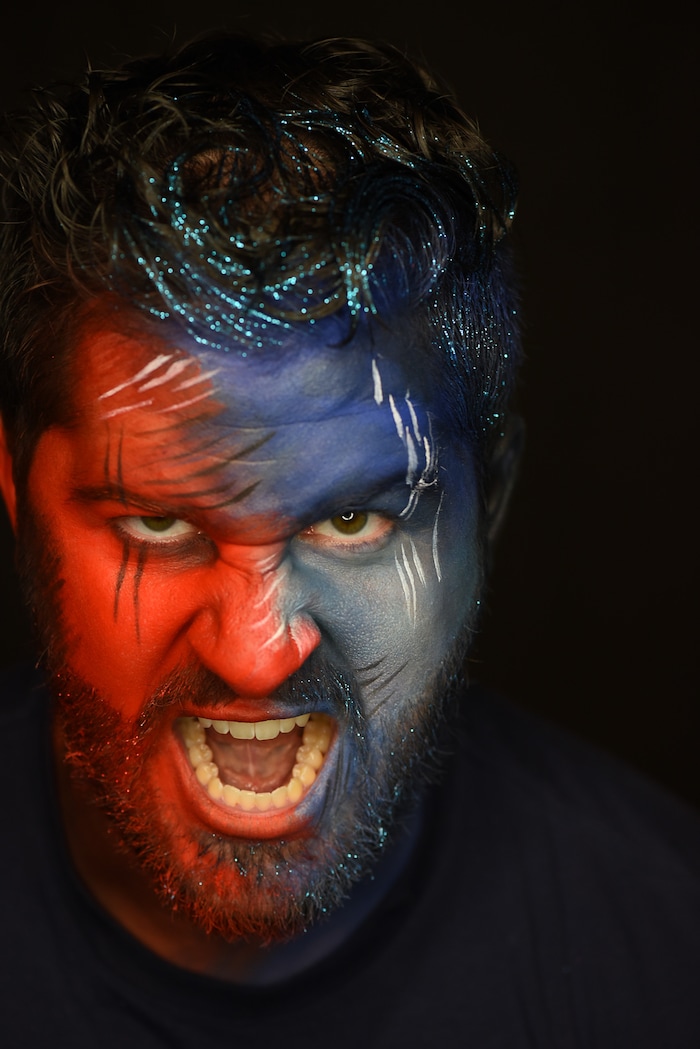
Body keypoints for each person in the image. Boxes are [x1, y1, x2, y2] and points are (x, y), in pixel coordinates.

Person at [0, 30, 699, 1047]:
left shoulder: (671, 960)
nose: (255, 653)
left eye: (350, 520)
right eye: (159, 521)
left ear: (490, 504)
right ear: (15, 489)